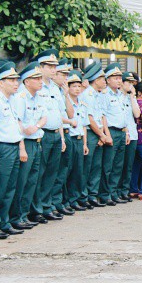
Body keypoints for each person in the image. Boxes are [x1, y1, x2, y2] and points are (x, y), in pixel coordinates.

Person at [9, 62, 46, 231]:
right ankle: (16, 216)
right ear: (26, 81)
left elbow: (43, 118)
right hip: (25, 143)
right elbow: (18, 125)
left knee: (32, 181)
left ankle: (24, 214)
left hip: (36, 141)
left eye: (40, 78)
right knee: (22, 181)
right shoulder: (20, 98)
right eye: (36, 78)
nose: (40, 81)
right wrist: (22, 147)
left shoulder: (38, 97)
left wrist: (37, 127)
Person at [30, 49, 66, 221]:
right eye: (50, 66)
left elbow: (59, 114)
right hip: (42, 135)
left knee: (52, 173)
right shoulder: (37, 87)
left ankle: (47, 206)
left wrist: (62, 137)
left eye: (55, 66)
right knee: (40, 173)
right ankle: (36, 209)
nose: (54, 70)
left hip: (56, 134)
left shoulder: (55, 88)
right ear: (41, 67)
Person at [0, 62, 22, 239]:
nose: (15, 83)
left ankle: (4, 222)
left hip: (12, 146)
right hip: (0, 148)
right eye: (11, 80)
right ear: (0, 82)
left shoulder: (10, 101)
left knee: (10, 188)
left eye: (16, 79)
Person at [78, 62, 108, 210]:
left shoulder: (97, 95)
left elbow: (100, 116)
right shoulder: (87, 95)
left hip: (98, 133)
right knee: (87, 167)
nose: (105, 81)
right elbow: (89, 119)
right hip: (91, 133)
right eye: (103, 78)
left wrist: (102, 134)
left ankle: (92, 194)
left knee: (96, 166)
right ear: (96, 80)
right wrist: (101, 135)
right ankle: (83, 196)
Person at [99, 63, 127, 206]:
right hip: (112, 131)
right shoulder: (104, 95)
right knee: (108, 166)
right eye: (115, 78)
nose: (118, 80)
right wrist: (107, 134)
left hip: (121, 132)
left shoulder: (121, 95)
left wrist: (126, 132)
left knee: (118, 165)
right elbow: (103, 116)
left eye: (119, 77)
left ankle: (114, 192)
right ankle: (105, 194)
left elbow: (124, 115)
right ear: (108, 80)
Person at [51, 58, 76, 217]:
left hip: (64, 133)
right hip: (56, 132)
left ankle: (57, 202)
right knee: (53, 173)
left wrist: (66, 95)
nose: (66, 78)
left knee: (63, 172)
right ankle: (52, 204)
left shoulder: (60, 91)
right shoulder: (50, 90)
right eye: (63, 74)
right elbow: (58, 117)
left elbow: (70, 113)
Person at [64, 70, 89, 212]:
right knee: (68, 170)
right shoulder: (66, 102)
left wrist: (85, 143)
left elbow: (84, 126)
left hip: (79, 139)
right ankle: (66, 200)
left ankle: (74, 199)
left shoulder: (83, 104)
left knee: (78, 171)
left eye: (79, 86)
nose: (77, 89)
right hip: (70, 138)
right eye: (73, 86)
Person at [118, 72, 140, 203]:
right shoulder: (118, 97)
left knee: (128, 165)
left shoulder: (130, 98)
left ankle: (125, 190)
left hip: (132, 134)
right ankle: (117, 190)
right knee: (119, 165)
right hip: (123, 133)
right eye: (129, 82)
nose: (131, 85)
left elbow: (137, 114)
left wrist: (132, 96)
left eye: (132, 83)